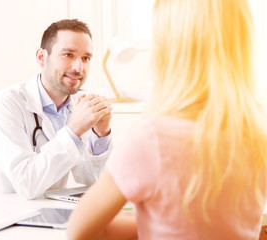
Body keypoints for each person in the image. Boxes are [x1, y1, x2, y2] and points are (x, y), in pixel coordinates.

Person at [67, 0, 267, 239]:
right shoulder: (257, 135)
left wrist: (148, 220)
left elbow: (79, 231)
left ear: (169, 49)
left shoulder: (154, 139)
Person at [0, 19, 113, 199]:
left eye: (86, 58)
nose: (79, 68)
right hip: (1, 217)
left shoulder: (77, 105)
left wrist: (101, 134)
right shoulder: (6, 103)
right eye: (68, 55)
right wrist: (74, 130)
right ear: (42, 57)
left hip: (47, 214)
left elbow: (91, 178)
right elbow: (27, 183)